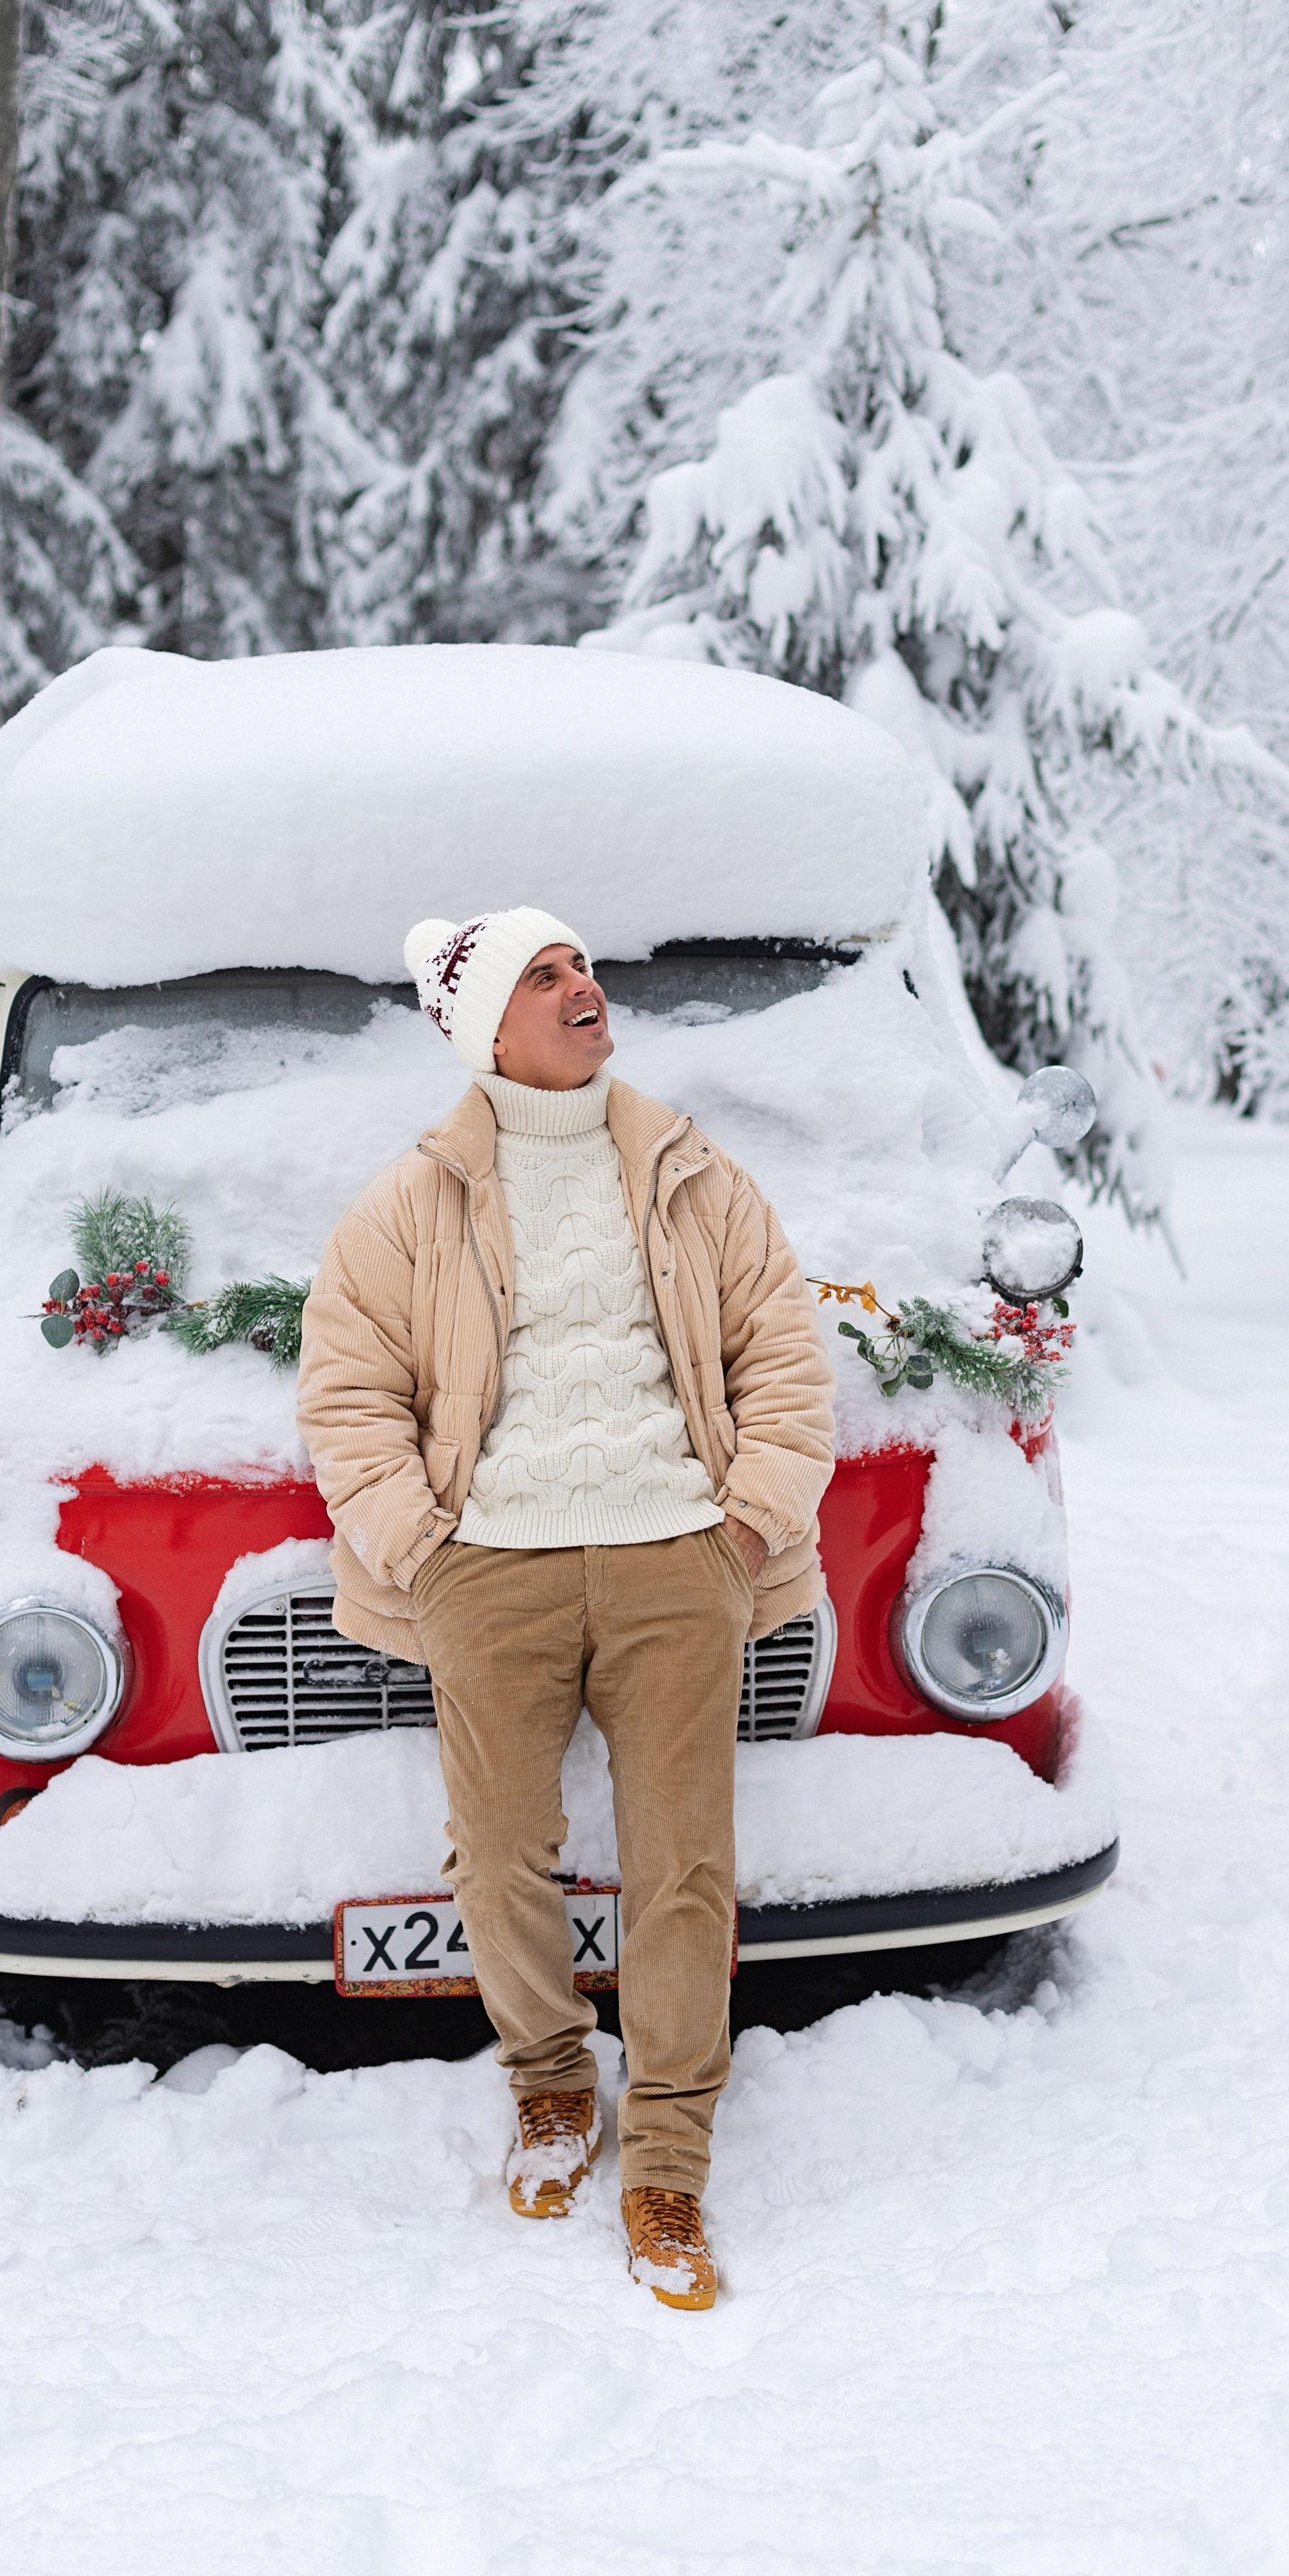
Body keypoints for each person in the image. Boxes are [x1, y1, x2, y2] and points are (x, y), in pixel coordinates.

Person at [296, 909, 836, 2309]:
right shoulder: (410, 1204)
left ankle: (665, 2160)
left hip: (675, 1556)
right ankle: (548, 2087)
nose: (580, 986)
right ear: (485, 1030)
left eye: (579, 965)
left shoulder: (685, 1169)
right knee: (494, 1856)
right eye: (544, 976)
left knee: (682, 1867)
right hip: (491, 1568)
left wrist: (750, 1517)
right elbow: (345, 1392)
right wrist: (421, 1541)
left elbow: (781, 1341)